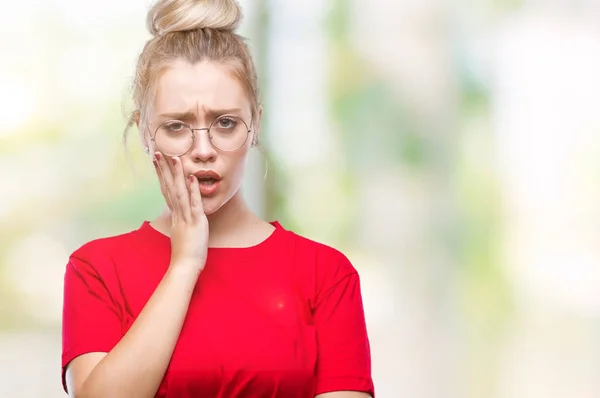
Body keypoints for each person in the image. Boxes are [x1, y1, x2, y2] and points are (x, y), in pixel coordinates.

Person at [61, 0, 374, 397]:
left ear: (255, 124)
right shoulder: (97, 270)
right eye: (177, 126)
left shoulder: (324, 274)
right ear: (144, 131)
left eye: (225, 123)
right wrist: (185, 265)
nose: (203, 149)